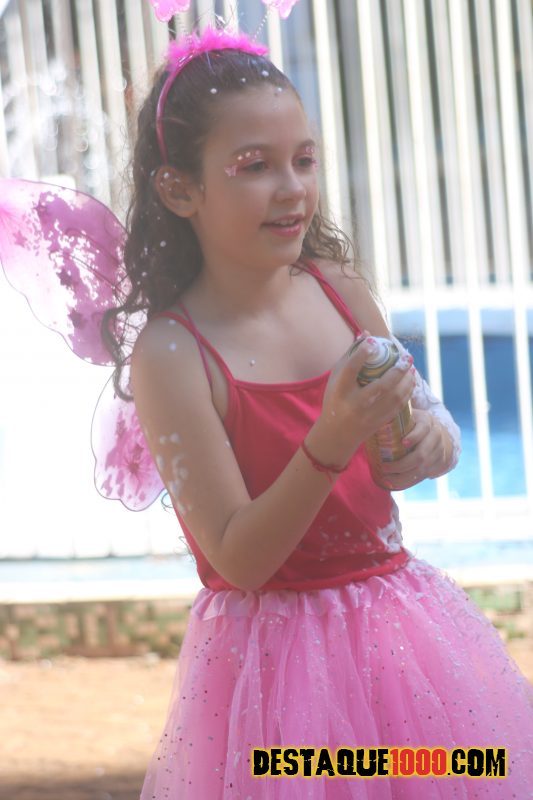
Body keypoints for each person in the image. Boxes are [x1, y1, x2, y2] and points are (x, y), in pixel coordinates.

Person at [0, 23, 532, 800]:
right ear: (179, 190)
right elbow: (240, 560)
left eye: (303, 160)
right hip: (276, 680)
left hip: (405, 643)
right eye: (254, 166)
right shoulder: (173, 354)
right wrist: (330, 440)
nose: (291, 188)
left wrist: (428, 441)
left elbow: (426, 423)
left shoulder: (339, 291)